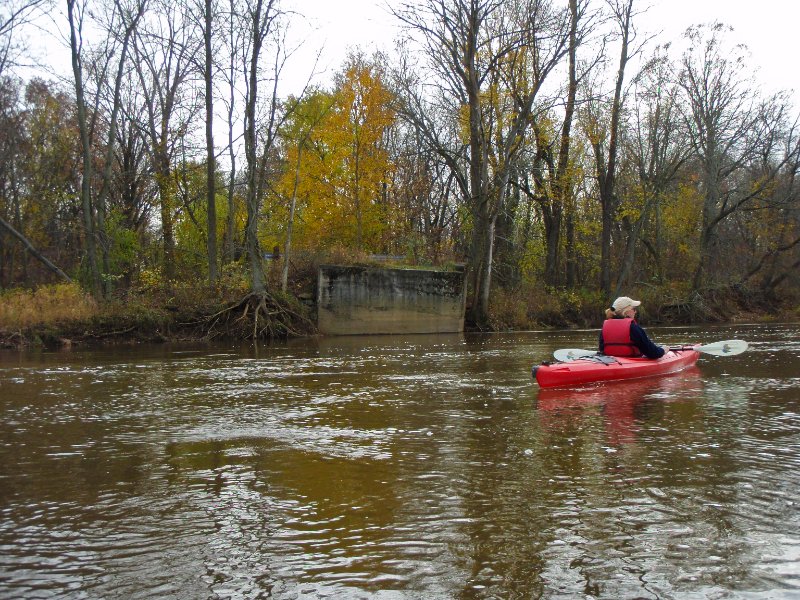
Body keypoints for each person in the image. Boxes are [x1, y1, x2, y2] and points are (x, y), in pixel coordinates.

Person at [599, 296, 665, 359]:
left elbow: (602, 349)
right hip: (629, 363)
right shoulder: (633, 328)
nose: (635, 311)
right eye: (634, 309)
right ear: (626, 311)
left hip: (611, 362)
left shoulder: (605, 328)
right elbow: (652, 353)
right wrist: (663, 350)